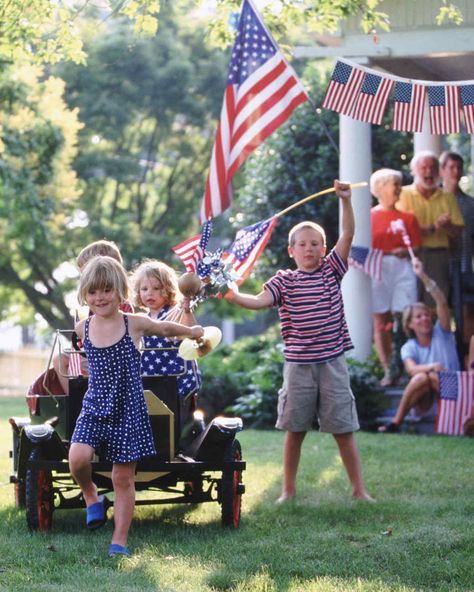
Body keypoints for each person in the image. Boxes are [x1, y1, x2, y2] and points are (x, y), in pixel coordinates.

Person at [226, 181, 373, 503]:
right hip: (298, 367)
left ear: (324, 248)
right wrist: (233, 295)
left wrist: (346, 201)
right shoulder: (284, 281)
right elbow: (259, 300)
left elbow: (347, 234)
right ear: (291, 251)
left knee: (343, 429)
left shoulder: (332, 270)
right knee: (295, 430)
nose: (309, 249)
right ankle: (287, 490)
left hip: (332, 363)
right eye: (302, 244)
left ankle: (359, 490)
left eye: (315, 244)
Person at [68, 255, 204, 557]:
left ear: (120, 292)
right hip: (95, 406)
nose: (99, 297)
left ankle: (119, 540)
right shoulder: (83, 328)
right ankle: (92, 497)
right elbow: (85, 360)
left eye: (106, 290)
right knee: (77, 459)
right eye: (93, 292)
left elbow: (165, 330)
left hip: (128, 409)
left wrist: (192, 332)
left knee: (122, 478)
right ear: (85, 294)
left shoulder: (134, 324)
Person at [378, 258, 460, 433]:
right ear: (410, 324)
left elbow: (441, 302)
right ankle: (396, 423)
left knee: (428, 377)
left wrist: (422, 276)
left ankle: (395, 423)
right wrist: (432, 367)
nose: (425, 318)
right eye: (419, 316)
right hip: (426, 397)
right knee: (422, 378)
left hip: (453, 391)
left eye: (426, 315)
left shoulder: (442, 332)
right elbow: (412, 369)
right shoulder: (409, 347)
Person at [53, 240, 133, 393]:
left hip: (112, 364)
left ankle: (79, 403)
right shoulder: (94, 303)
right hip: (91, 356)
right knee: (59, 359)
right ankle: (73, 403)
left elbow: (121, 342)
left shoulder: (120, 304)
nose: (87, 279)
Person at [369, 168, 422, 386]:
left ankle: (406, 366)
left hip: (403, 268)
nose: (400, 189)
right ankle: (387, 370)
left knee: (405, 317)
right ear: (380, 188)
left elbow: (417, 247)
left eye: (399, 184)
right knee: (381, 318)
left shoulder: (408, 218)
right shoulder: (369, 216)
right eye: (395, 184)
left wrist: (404, 252)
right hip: (378, 268)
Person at [396, 150, 464, 308]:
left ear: (439, 171)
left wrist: (447, 226)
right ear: (414, 171)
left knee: (436, 302)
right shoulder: (404, 194)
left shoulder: (447, 196)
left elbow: (459, 231)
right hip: (410, 255)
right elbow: (402, 229)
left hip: (437, 255)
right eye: (424, 167)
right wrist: (434, 227)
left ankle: (436, 332)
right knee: (408, 304)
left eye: (433, 167)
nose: (429, 171)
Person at [132, 260, 202, 397]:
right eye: (144, 289)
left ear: (167, 289)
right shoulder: (142, 318)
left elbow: (192, 333)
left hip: (175, 378)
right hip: (150, 377)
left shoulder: (176, 311)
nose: (149, 294)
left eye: (156, 288)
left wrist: (187, 311)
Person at [439, 151, 474, 348]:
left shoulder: (470, 204)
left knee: (467, 311)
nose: (455, 171)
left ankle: (468, 356)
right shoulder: (434, 199)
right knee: (440, 311)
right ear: (442, 170)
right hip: (440, 265)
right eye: (451, 167)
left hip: (464, 266)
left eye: (458, 167)